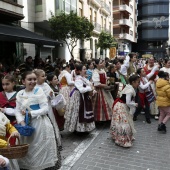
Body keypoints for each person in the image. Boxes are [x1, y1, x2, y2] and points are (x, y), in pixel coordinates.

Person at [15, 71, 61, 169]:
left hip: (40, 124)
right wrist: (22, 123)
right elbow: (17, 111)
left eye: (34, 79)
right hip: (26, 126)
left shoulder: (39, 91)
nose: (32, 81)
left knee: (41, 148)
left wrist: (30, 113)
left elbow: (45, 109)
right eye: (29, 79)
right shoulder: (20, 94)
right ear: (23, 81)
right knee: (29, 149)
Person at [34, 69, 62, 148]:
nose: (45, 77)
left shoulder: (46, 85)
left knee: (52, 123)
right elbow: (37, 99)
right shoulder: (35, 87)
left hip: (49, 108)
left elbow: (51, 96)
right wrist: (47, 96)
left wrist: (51, 95)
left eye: (45, 76)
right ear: (37, 77)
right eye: (42, 76)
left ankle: (56, 144)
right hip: (40, 109)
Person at [64, 64, 95, 132]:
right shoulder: (78, 79)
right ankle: (77, 129)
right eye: (84, 69)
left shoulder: (83, 78)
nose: (85, 70)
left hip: (83, 96)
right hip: (78, 97)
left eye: (85, 69)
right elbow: (81, 90)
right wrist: (89, 88)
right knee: (78, 112)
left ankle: (83, 128)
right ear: (80, 71)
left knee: (82, 112)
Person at [110, 75, 139, 148]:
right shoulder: (129, 90)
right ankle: (123, 140)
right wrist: (135, 104)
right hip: (121, 106)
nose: (138, 84)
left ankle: (120, 137)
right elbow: (128, 102)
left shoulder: (129, 87)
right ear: (133, 82)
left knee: (121, 122)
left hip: (120, 105)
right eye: (137, 82)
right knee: (124, 124)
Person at [0, 75, 17, 145]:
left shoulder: (18, 95)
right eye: (3, 84)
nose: (5, 87)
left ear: (13, 83)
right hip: (2, 123)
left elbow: (18, 111)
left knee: (13, 142)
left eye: (7, 84)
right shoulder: (0, 94)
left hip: (14, 123)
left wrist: (5, 110)